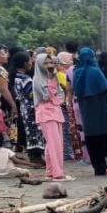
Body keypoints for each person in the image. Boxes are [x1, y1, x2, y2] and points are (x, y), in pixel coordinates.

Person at [73, 47, 107, 176]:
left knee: (92, 142)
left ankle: (99, 169)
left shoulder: (77, 73)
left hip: (86, 112)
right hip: (102, 110)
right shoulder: (95, 71)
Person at [32, 52, 73, 182]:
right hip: (45, 113)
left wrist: (57, 97)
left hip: (56, 111)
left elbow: (60, 94)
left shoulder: (54, 77)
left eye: (50, 63)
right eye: (46, 63)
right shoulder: (37, 79)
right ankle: (58, 174)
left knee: (54, 143)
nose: (49, 65)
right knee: (54, 144)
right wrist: (50, 81)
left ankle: (51, 171)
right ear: (39, 64)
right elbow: (45, 96)